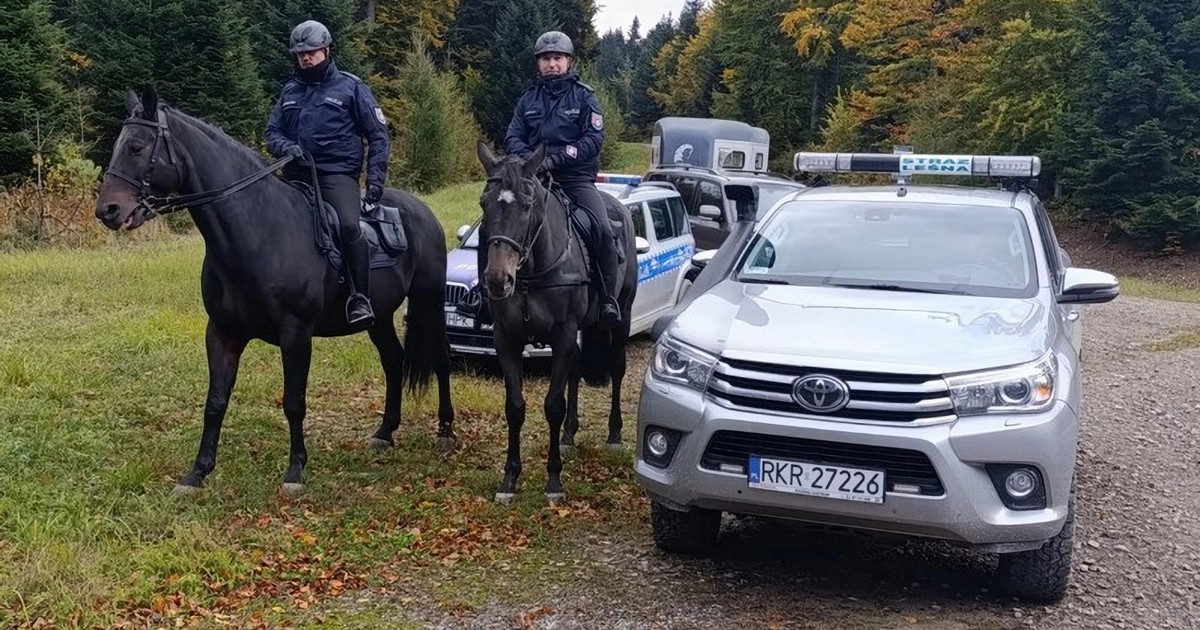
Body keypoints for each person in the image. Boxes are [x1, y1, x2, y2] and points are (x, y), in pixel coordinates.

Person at [265, 19, 390, 328]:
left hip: (336, 177)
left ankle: (359, 297)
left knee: (348, 226)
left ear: (326, 50)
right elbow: (272, 132)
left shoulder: (351, 88)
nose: (305, 58)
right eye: (300, 53)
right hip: (295, 175)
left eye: (312, 52)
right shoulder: (290, 90)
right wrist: (286, 148)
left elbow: (378, 136)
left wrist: (375, 181)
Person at [503, 30, 621, 328]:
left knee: (602, 230)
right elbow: (513, 136)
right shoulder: (528, 99)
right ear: (538, 63)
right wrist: (531, 161)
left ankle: (607, 299)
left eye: (557, 58)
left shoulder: (584, 96)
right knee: (494, 223)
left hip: (575, 179)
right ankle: (487, 295)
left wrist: (556, 159)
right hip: (532, 179)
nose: (552, 64)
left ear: (568, 61)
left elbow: (593, 139)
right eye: (546, 59)